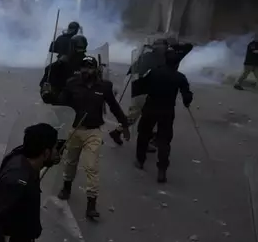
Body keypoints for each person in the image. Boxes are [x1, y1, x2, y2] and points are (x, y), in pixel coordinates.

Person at [56, 56, 130, 219]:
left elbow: (114, 107)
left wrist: (124, 125)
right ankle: (66, 186)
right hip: (75, 129)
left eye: (90, 67)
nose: (86, 71)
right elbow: (61, 105)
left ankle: (91, 204)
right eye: (84, 67)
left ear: (96, 69)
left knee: (92, 167)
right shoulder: (72, 83)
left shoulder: (104, 87)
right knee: (70, 162)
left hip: (93, 132)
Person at [133, 47, 193, 183]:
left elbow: (141, 86)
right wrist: (187, 101)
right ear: (177, 64)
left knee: (143, 134)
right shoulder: (180, 77)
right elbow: (187, 95)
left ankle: (140, 160)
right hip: (167, 110)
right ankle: (162, 170)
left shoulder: (154, 72)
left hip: (151, 107)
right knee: (164, 141)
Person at [40, 34, 87, 104]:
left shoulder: (86, 62)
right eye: (78, 48)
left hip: (80, 100)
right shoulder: (61, 64)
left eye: (81, 49)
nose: (79, 51)